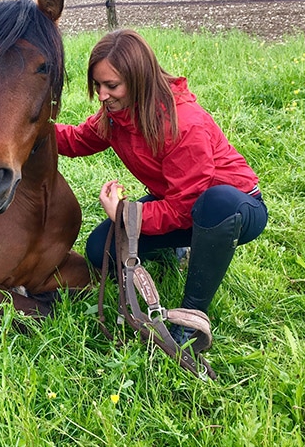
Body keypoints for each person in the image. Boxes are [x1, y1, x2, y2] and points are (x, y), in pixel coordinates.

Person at [55, 29, 268, 346]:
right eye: (97, 85)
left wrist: (127, 215)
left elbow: (187, 205)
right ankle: (175, 250)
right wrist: (22, 128)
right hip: (178, 205)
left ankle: (192, 318)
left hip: (234, 209)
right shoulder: (116, 116)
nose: (101, 95)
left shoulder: (184, 122)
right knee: (101, 251)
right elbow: (75, 139)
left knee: (215, 203)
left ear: (139, 80)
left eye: (111, 86)